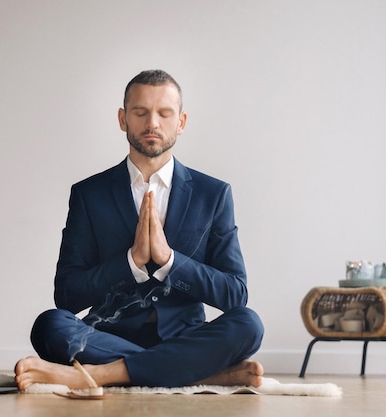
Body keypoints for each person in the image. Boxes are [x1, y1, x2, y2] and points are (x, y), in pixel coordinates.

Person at [15, 69, 264, 390]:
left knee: (249, 324)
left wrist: (170, 262)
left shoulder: (212, 194)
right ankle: (201, 372)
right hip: (107, 336)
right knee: (49, 324)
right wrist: (131, 263)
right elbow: (67, 295)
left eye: (164, 113)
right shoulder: (90, 194)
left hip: (186, 335)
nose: (153, 124)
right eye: (141, 112)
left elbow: (235, 295)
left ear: (181, 122)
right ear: (123, 119)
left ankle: (102, 375)